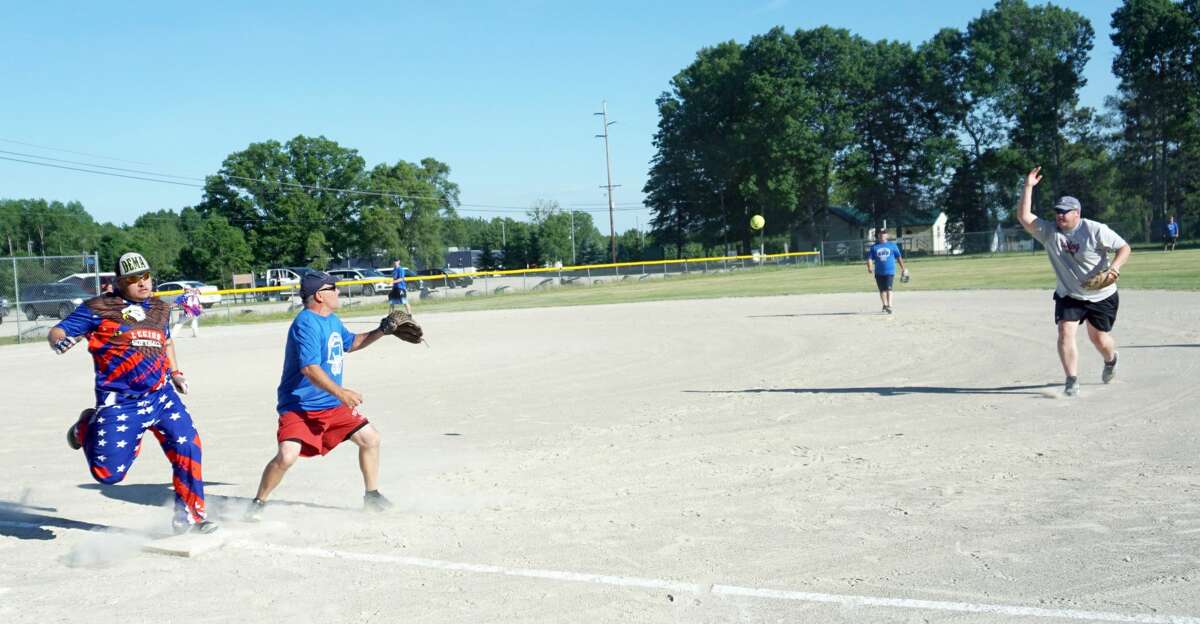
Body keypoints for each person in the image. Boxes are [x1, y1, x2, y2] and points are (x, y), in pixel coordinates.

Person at [49, 252, 216, 534]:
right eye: (133, 279)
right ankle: (85, 427)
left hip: (161, 395)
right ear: (119, 281)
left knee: (189, 446)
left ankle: (190, 514)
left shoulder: (160, 308)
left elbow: (167, 343)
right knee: (108, 475)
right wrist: (59, 342)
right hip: (120, 404)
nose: (142, 283)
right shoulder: (98, 307)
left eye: (146, 276)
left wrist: (175, 373)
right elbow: (57, 331)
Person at [247, 271, 396, 520]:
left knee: (370, 439)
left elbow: (351, 343)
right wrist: (341, 392)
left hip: (331, 404)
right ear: (320, 295)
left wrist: (382, 330)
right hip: (300, 406)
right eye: (333, 288)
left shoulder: (332, 320)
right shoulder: (305, 323)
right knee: (287, 456)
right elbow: (309, 368)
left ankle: (372, 496)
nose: (338, 292)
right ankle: (258, 502)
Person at [1016, 167, 1132, 397]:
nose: (1060, 215)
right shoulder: (1048, 232)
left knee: (1099, 338)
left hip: (1102, 295)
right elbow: (1024, 217)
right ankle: (1071, 379)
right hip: (1070, 294)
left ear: (1076, 213)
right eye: (1058, 211)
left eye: (1065, 212)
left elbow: (1124, 247)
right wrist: (1028, 186)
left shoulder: (1094, 229)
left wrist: (1114, 268)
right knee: (1065, 332)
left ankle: (1111, 360)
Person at [865, 228, 909, 314]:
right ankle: (884, 305)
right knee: (882, 290)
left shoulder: (892, 246)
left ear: (887, 235)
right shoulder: (874, 247)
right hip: (878, 272)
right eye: (881, 233)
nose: (882, 235)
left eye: (884, 233)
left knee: (889, 288)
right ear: (878, 235)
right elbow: (869, 259)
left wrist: (903, 268)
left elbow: (898, 257)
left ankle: (889, 305)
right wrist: (869, 267)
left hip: (890, 271)